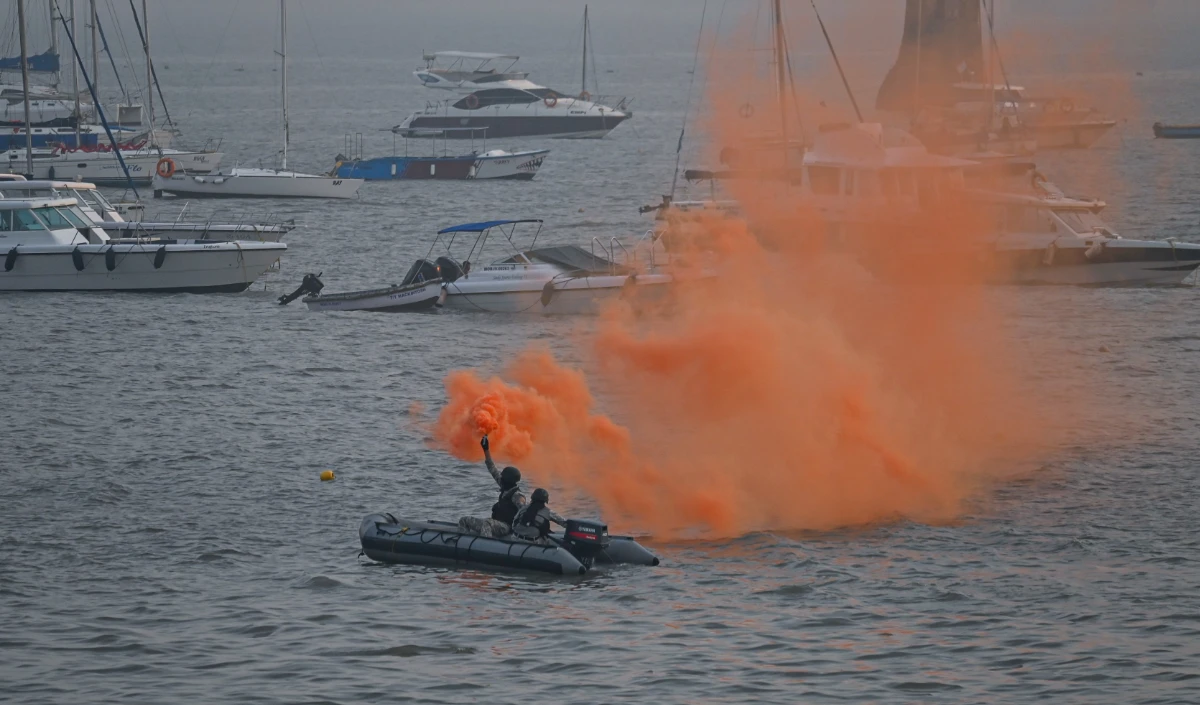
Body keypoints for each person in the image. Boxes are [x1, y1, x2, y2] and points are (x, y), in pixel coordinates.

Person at [457, 435, 526, 538]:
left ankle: (485, 546)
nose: (500, 478)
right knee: (464, 520)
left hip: (506, 527)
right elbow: (491, 467)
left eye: (503, 477)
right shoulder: (504, 485)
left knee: (487, 524)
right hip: (496, 523)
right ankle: (463, 543)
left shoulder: (517, 495)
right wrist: (486, 449)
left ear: (509, 480)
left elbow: (524, 512)